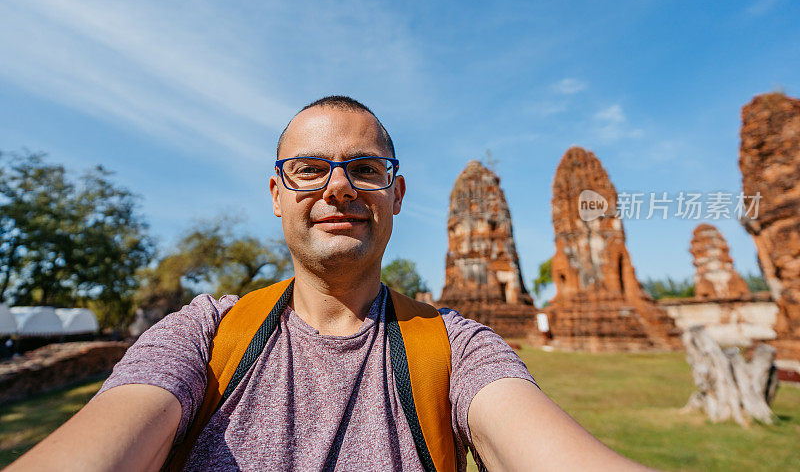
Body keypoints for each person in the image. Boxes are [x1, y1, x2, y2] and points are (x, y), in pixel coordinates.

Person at [8, 96, 648, 471]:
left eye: (365, 168)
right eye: (309, 169)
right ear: (277, 195)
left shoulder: (455, 348)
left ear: (396, 196)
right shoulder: (203, 335)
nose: (338, 186)